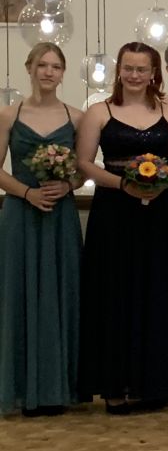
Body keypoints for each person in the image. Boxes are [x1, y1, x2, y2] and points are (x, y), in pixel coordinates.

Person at [77, 42, 168, 413]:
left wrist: (161, 183)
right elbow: (84, 163)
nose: (135, 75)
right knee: (115, 293)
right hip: (113, 214)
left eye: (142, 69)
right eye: (128, 68)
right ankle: (115, 385)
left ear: (154, 73)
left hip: (159, 213)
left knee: (157, 291)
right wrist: (124, 185)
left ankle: (154, 383)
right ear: (119, 70)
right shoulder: (99, 111)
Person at [0, 43, 83, 416]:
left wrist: (68, 185)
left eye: (56, 66)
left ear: (63, 73)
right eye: (42, 65)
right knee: (18, 294)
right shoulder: (9, 115)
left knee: (61, 292)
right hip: (20, 213)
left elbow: (84, 169)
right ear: (29, 68)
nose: (49, 72)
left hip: (60, 216)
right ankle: (21, 388)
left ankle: (57, 388)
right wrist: (27, 193)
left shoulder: (76, 117)